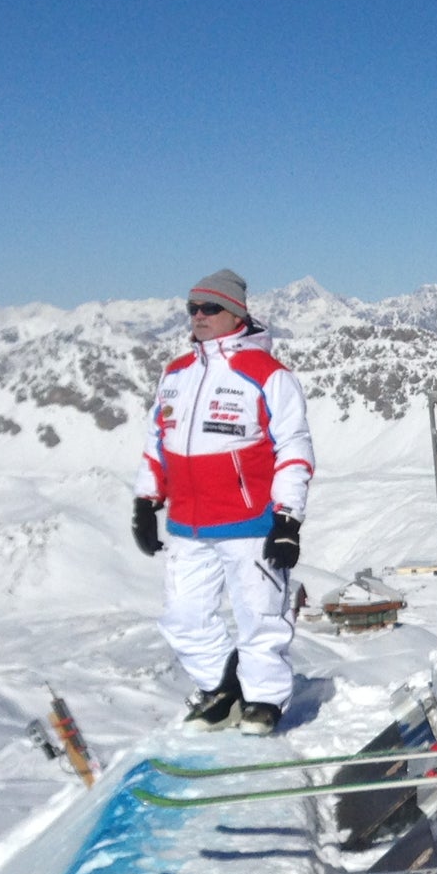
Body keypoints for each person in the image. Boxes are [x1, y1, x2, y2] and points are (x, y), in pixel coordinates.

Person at [132, 270, 314, 737]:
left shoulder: (267, 375)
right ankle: (221, 686)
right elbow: (158, 441)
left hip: (250, 523)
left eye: (209, 308)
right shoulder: (176, 373)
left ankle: (264, 700)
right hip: (188, 524)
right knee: (182, 617)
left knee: (260, 618)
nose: (199, 316)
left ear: (236, 313)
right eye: (192, 308)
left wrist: (288, 519)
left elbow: (293, 448)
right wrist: (146, 501)